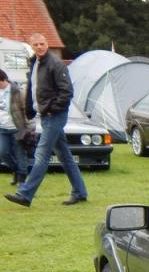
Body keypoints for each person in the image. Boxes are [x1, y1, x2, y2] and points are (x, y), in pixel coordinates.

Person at [5, 34, 87, 207]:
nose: (39, 47)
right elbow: (33, 88)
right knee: (64, 155)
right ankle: (80, 192)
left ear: (47, 44)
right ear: (31, 46)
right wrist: (29, 109)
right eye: (36, 44)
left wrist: (52, 109)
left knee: (41, 154)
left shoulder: (55, 64)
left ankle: (25, 194)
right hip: (44, 114)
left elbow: (67, 91)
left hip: (54, 115)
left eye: (42, 44)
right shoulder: (35, 63)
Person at [0, 68, 30, 186]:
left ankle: (22, 179)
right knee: (3, 153)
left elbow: (23, 108)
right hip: (2, 128)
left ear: (2, 79)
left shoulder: (15, 90)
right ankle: (16, 171)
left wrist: (27, 127)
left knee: (20, 154)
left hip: (17, 127)